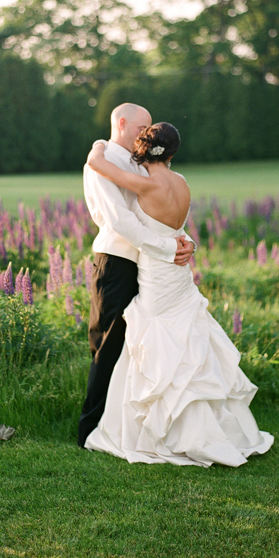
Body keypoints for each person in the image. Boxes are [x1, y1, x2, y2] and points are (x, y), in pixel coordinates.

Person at [84, 121, 274, 467]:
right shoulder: (182, 183)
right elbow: (179, 227)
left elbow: (98, 165)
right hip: (180, 274)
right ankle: (207, 428)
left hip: (158, 271)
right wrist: (188, 245)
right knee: (187, 343)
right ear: (173, 153)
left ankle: (160, 431)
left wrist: (99, 144)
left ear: (146, 147)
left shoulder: (143, 184)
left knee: (157, 338)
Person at [77, 104, 195, 448]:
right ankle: (90, 430)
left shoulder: (140, 163)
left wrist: (184, 243)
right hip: (116, 262)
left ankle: (130, 427)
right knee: (107, 346)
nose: (145, 135)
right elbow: (120, 222)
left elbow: (164, 213)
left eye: (149, 130)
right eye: (141, 127)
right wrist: (168, 248)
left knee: (139, 348)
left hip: (147, 265)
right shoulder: (99, 166)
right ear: (123, 123)